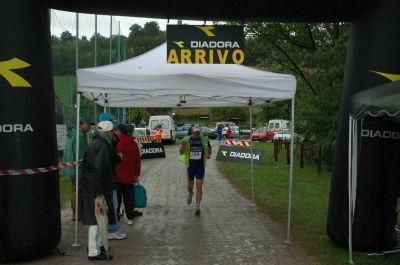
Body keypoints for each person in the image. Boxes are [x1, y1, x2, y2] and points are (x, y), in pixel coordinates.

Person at [82, 121, 116, 261]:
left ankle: (96, 246)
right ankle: (93, 251)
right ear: (108, 132)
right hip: (95, 187)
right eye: (112, 131)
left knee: (97, 218)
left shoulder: (95, 142)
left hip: (92, 184)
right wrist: (99, 190)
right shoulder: (102, 146)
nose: (113, 133)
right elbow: (99, 169)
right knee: (97, 218)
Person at [62, 116, 92, 221]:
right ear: (81, 124)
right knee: (79, 191)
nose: (90, 126)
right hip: (78, 168)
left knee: (75, 190)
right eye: (88, 123)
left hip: (72, 167)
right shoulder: (80, 136)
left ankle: (76, 212)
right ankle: (78, 214)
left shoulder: (74, 133)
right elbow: (81, 155)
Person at [179, 124, 211, 215]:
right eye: (195, 131)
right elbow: (181, 153)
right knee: (190, 186)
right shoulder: (187, 140)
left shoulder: (204, 140)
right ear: (192, 131)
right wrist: (183, 146)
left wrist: (208, 154)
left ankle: (197, 206)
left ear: (200, 131)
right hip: (190, 166)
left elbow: (209, 150)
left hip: (200, 166)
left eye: (198, 131)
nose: (197, 133)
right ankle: (190, 193)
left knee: (199, 185)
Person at [115, 124, 142, 226]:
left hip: (118, 174)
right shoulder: (134, 143)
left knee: (117, 198)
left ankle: (116, 217)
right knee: (129, 197)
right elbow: (137, 160)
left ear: (120, 132)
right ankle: (130, 217)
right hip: (130, 175)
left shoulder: (116, 142)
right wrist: (136, 174)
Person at [127, 124, 144, 216]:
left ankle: (123, 209)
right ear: (133, 131)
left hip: (122, 170)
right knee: (133, 189)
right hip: (132, 169)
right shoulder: (134, 142)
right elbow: (139, 155)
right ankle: (134, 208)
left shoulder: (119, 141)